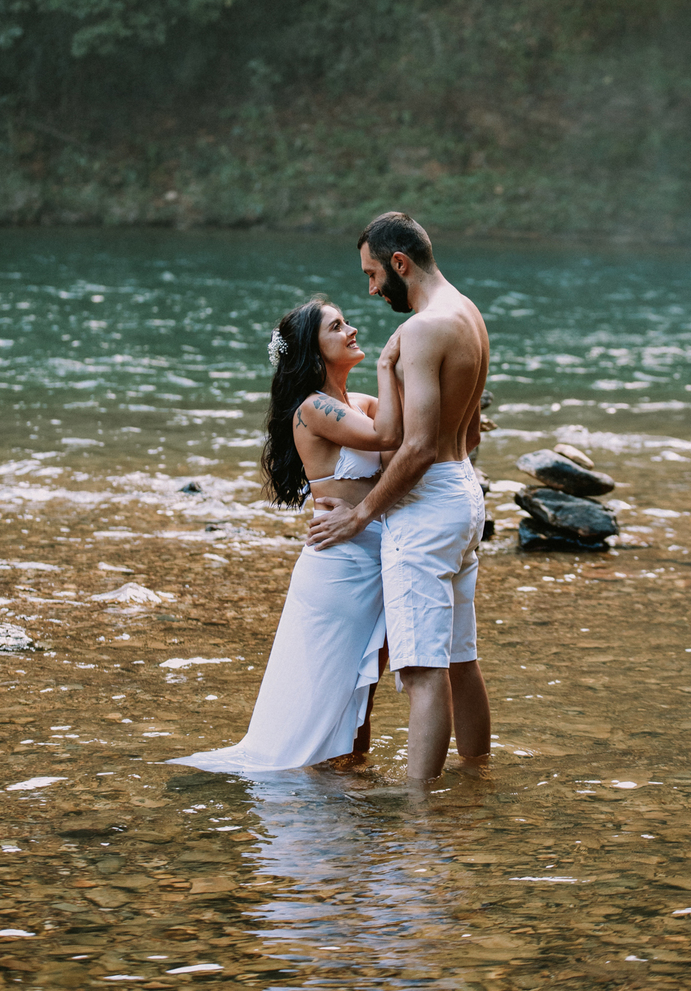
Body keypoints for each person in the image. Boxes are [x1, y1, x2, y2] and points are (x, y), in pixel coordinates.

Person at [169, 297, 401, 772]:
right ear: (314, 353)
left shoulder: (358, 404)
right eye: (337, 327)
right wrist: (387, 364)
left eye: (346, 322)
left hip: (373, 560)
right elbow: (387, 437)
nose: (352, 330)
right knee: (331, 690)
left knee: (363, 688)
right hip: (339, 569)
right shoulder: (312, 409)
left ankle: (351, 779)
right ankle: (315, 781)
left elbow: (405, 428)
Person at [308, 212, 492, 782]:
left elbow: (416, 448)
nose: (370, 288)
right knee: (460, 659)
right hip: (463, 491)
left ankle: (419, 815)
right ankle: (474, 781)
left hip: (428, 506)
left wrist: (361, 515)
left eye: (372, 275)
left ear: (399, 264)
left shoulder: (421, 330)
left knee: (420, 671)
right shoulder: (468, 313)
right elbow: (470, 434)